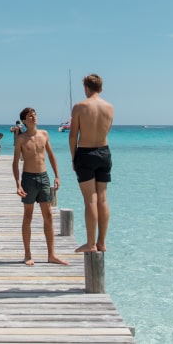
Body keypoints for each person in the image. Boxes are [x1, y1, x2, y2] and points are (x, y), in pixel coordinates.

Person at [12, 107, 68, 266]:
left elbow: (51, 155)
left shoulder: (44, 134)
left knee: (48, 215)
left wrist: (57, 176)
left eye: (35, 115)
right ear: (24, 120)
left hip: (44, 177)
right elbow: (15, 163)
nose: (33, 118)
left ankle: (51, 254)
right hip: (28, 179)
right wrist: (17, 184)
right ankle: (27, 254)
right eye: (30, 116)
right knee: (28, 216)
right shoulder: (21, 139)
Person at [69, 73, 114, 253]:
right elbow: (107, 130)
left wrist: (74, 158)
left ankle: (90, 243)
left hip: (86, 153)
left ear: (86, 88)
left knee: (90, 200)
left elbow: (73, 135)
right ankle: (101, 242)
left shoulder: (80, 106)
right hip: (104, 152)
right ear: (101, 89)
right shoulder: (109, 107)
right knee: (102, 199)